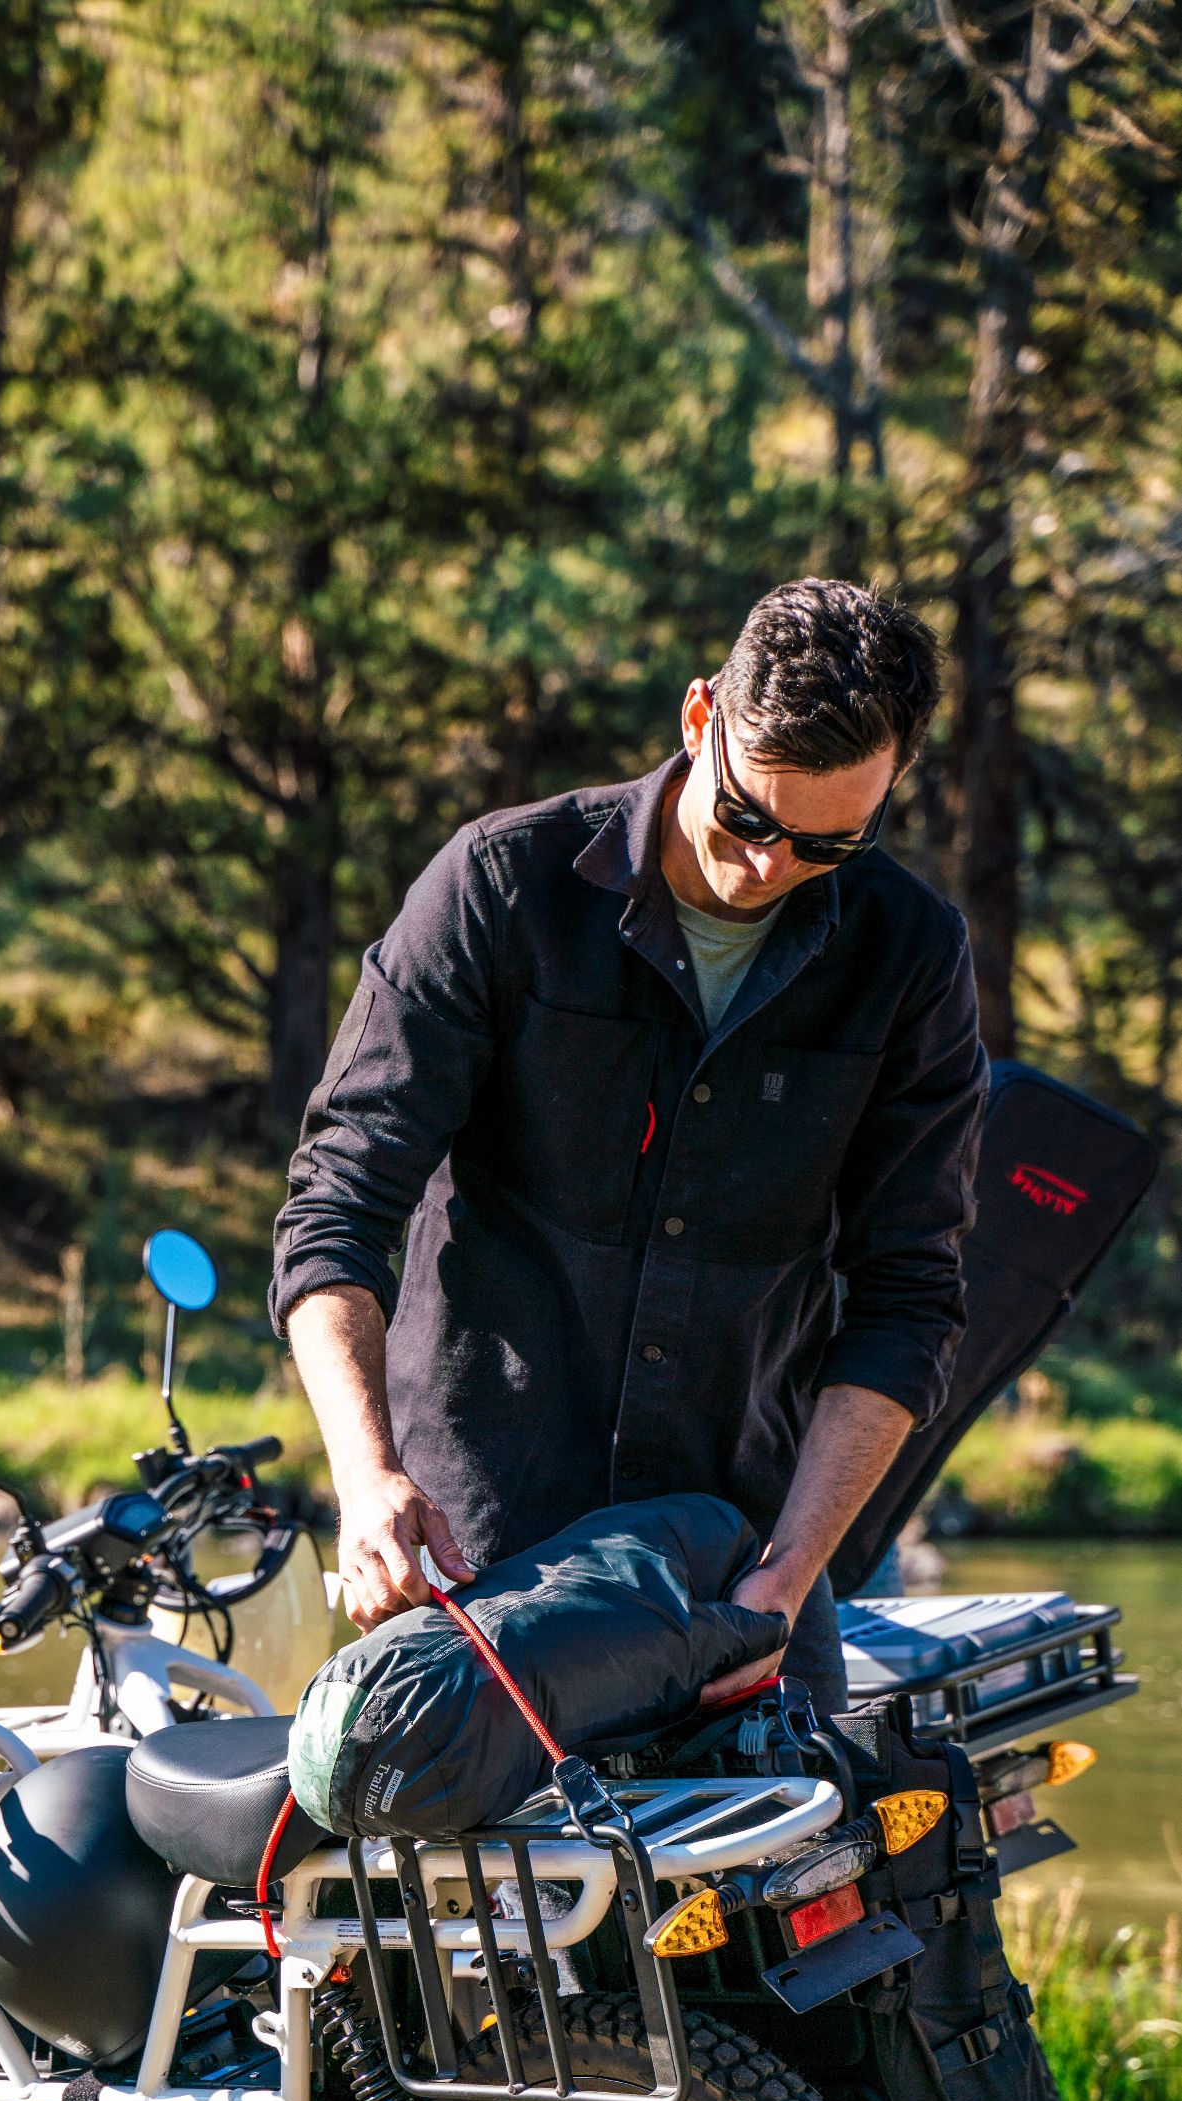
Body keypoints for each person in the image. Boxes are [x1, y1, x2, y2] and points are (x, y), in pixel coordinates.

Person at [271, 577, 986, 1711]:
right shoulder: (501, 887)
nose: (768, 870)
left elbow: (907, 1297)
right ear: (700, 719)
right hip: (475, 1551)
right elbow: (338, 1205)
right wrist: (366, 1483)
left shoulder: (911, 954)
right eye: (748, 819)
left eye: (828, 844)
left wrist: (791, 1577)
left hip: (742, 1571)